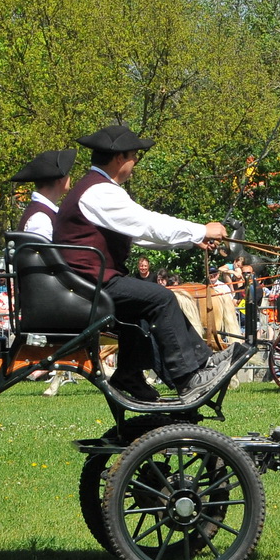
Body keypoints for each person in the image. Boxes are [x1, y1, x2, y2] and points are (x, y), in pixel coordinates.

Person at [53, 120, 243, 402]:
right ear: (120, 158)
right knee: (161, 298)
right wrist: (201, 229)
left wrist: (191, 238)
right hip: (87, 284)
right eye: (133, 156)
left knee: (142, 306)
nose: (135, 162)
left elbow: (140, 236)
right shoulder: (99, 192)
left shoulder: (96, 188)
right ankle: (189, 377)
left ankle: (134, 373)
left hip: (86, 281)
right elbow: (147, 225)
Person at [12, 148, 76, 238]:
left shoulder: (44, 213)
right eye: (68, 173)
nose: (70, 177)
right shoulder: (40, 219)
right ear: (60, 179)